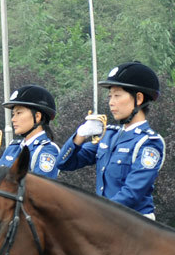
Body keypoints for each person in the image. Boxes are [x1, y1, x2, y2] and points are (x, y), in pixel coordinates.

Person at [58, 61, 164, 219]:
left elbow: (132, 193)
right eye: (110, 96)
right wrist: (80, 135)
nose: (111, 102)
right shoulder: (108, 135)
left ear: (139, 98)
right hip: (108, 222)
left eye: (117, 95)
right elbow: (64, 163)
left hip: (135, 226)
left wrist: (96, 214)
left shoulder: (148, 142)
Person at [0, 85, 61, 182]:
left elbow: (40, 192)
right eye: (13, 114)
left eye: (19, 113)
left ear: (37, 116)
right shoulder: (13, 148)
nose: (13, 119)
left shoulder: (46, 150)